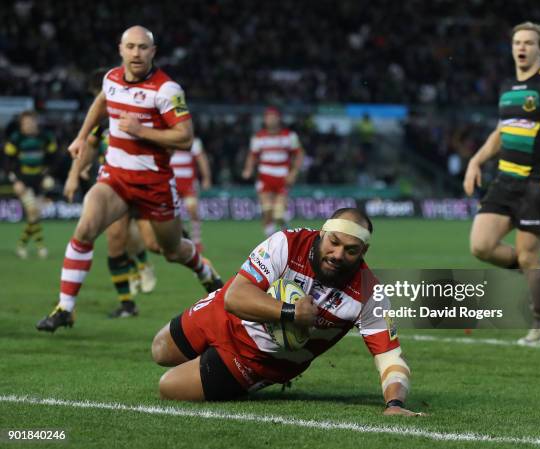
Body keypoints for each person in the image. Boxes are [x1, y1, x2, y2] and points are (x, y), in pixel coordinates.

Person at [36, 26, 223, 332]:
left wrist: (141, 131)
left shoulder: (167, 90)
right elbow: (101, 102)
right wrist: (81, 137)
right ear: (121, 49)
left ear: (153, 52)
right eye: (131, 47)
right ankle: (65, 308)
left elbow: (185, 138)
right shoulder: (111, 79)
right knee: (85, 230)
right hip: (115, 178)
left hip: (154, 184)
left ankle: (205, 272)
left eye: (143, 47)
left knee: (169, 249)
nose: (136, 53)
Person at [151, 208, 424, 417]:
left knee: (169, 387)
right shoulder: (287, 243)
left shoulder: (369, 294)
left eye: (351, 250)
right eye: (334, 242)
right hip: (224, 313)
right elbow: (234, 297)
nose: (338, 254)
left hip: (255, 358)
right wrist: (292, 312)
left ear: (364, 251)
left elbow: (389, 357)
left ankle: (228, 376)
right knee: (160, 350)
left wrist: (395, 403)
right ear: (321, 234)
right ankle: (206, 360)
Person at [463, 22, 540, 344]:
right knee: (481, 246)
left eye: (529, 43)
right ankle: (538, 270)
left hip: (536, 182)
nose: (522, 48)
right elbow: (500, 133)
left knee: (528, 254)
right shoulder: (507, 88)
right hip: (505, 179)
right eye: (517, 42)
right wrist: (476, 161)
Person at [63, 67, 158, 318]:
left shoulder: (137, 113)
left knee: (150, 239)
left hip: (144, 181)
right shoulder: (102, 122)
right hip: (114, 183)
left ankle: (144, 261)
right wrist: (75, 174)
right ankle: (128, 304)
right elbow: (89, 147)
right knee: (115, 239)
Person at [242, 107, 304, 237]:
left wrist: (294, 173)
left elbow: (299, 154)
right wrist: (248, 169)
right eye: (268, 117)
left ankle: (286, 231)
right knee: (267, 210)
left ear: (278, 118)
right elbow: (252, 155)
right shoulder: (258, 137)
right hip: (264, 178)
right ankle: (270, 243)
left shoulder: (289, 136)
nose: (270, 120)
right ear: (264, 120)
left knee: (279, 214)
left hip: (283, 178)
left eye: (273, 117)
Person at [4, 111, 58, 259]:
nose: (28, 125)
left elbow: (53, 158)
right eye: (25, 123)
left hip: (39, 181)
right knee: (33, 212)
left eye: (31, 122)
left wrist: (48, 175)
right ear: (21, 124)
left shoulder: (45, 137)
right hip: (23, 181)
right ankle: (41, 248)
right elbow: (7, 162)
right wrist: (15, 181)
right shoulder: (16, 138)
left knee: (34, 216)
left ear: (36, 122)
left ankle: (21, 246)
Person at [170, 134, 212, 254]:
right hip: (171, 182)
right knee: (174, 214)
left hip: (188, 182)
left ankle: (197, 241)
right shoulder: (167, 138)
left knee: (192, 210)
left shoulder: (193, 141)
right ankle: (181, 240)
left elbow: (201, 159)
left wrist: (206, 177)